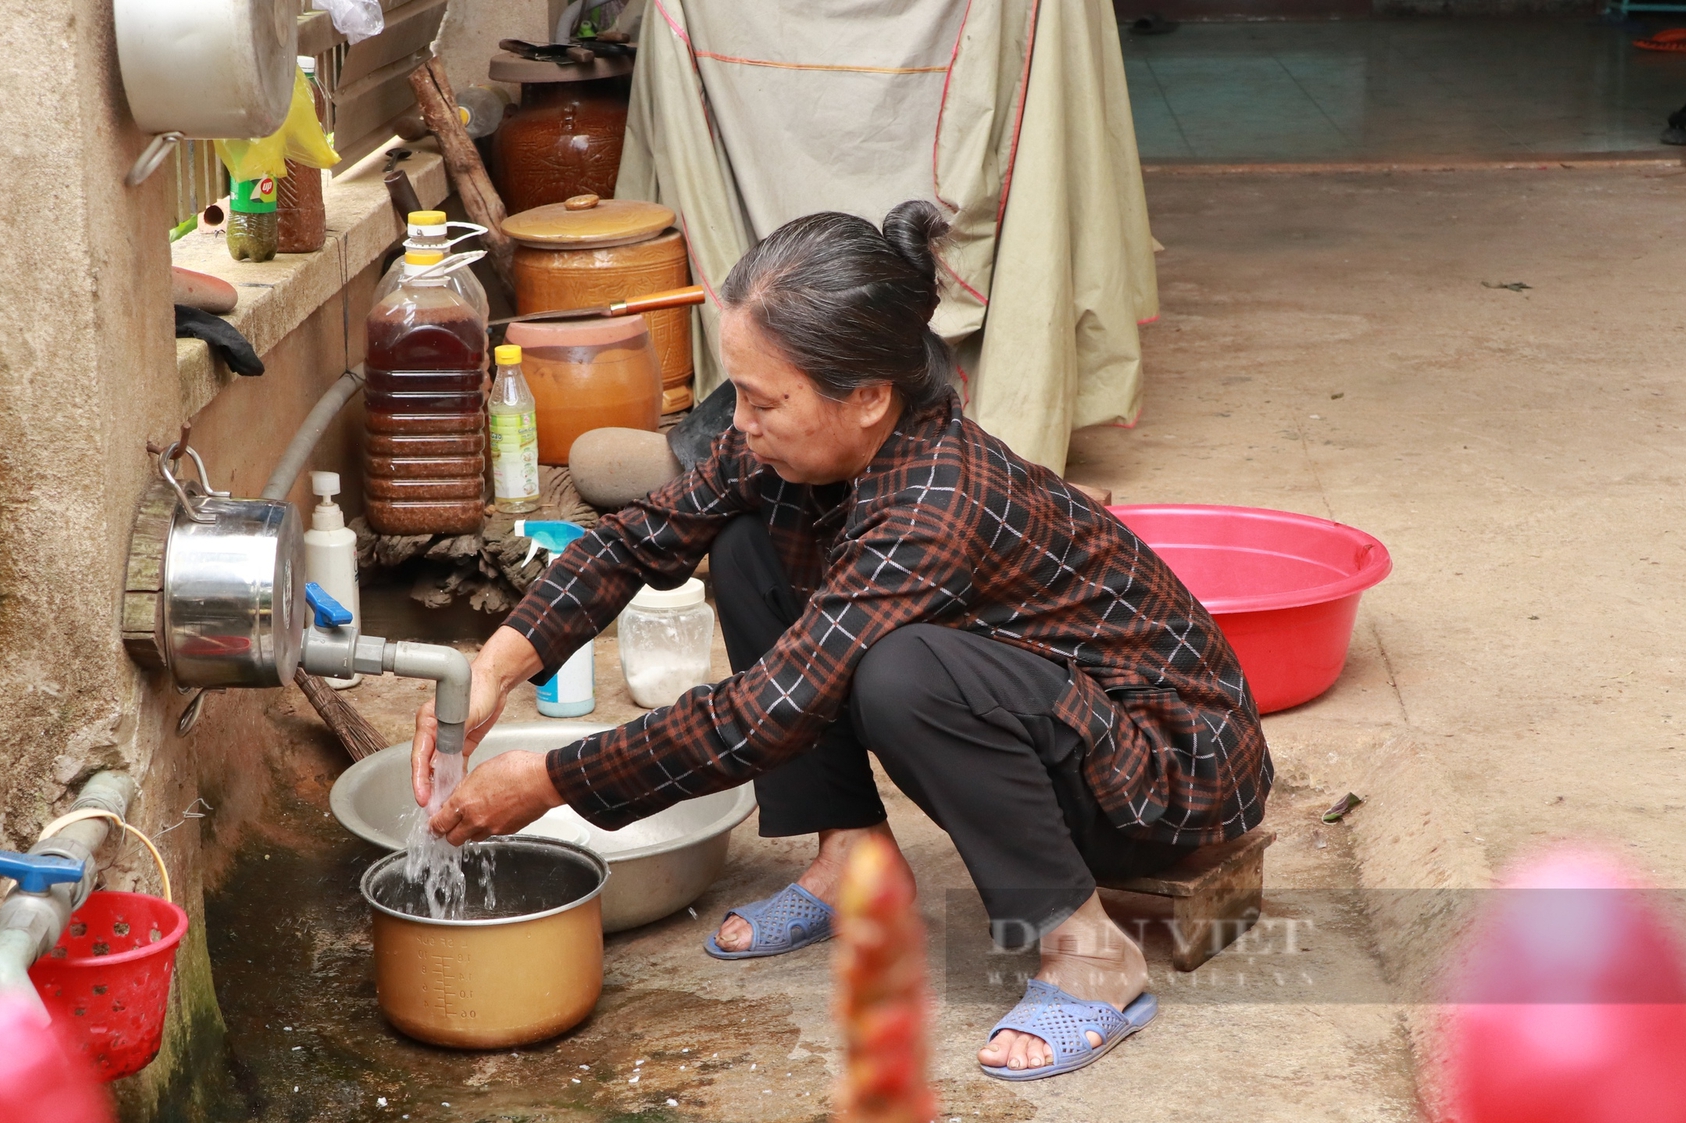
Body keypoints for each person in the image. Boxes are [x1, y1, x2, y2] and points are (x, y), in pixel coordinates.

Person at [409, 200, 1272, 1080]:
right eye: (737, 392)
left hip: (1169, 779)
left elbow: (763, 714)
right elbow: (640, 537)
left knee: (903, 676)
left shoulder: (936, 498)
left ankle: (1092, 955)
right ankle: (852, 857)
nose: (739, 422)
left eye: (762, 398)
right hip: (1066, 724)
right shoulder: (788, 441)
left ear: (866, 397)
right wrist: (493, 668)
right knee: (744, 542)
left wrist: (551, 781)